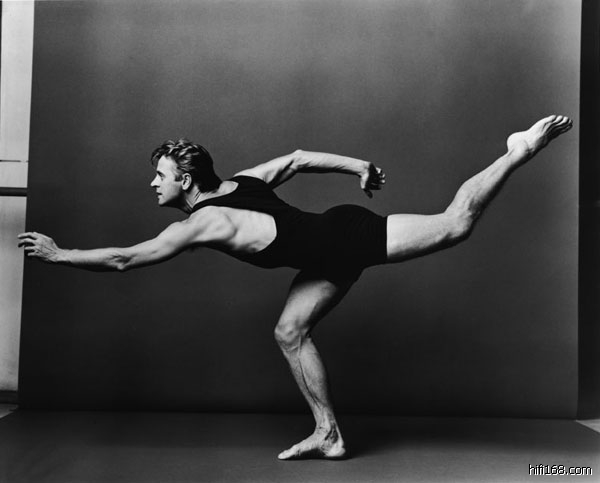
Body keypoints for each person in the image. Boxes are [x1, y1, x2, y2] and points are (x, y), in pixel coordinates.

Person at [18, 115, 573, 459]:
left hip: (346, 239)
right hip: (325, 253)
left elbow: (124, 259)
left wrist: (59, 254)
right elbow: (299, 158)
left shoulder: (203, 222)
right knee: (289, 331)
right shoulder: (241, 182)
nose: (153, 183)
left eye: (159, 176)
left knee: (455, 224)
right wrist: (359, 166)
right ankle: (328, 434)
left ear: (184, 181)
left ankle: (518, 150)